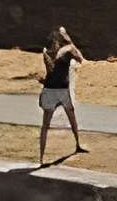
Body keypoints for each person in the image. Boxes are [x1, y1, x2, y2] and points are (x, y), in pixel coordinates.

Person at [35, 27, 87, 161]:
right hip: (62, 90)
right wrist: (70, 41)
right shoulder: (68, 50)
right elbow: (81, 59)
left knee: (45, 125)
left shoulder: (46, 52)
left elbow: (52, 73)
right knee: (71, 117)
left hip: (49, 90)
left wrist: (43, 81)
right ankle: (77, 145)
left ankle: (41, 158)